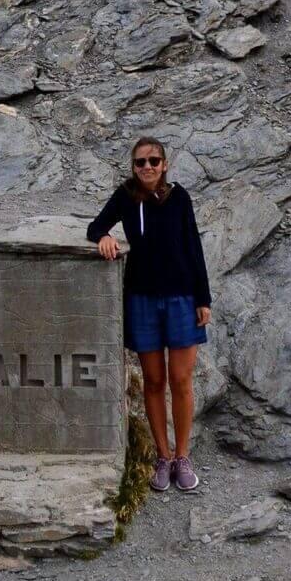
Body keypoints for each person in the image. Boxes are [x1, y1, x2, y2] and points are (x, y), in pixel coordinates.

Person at [86, 137, 212, 493]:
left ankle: (183, 457)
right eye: (140, 162)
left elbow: (193, 246)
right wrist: (104, 238)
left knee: (181, 380)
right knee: (154, 381)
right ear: (133, 167)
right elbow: (96, 226)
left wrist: (203, 298)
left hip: (182, 298)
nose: (147, 167)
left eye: (154, 161)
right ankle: (163, 456)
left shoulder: (179, 197)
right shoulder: (126, 196)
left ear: (164, 164)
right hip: (142, 299)